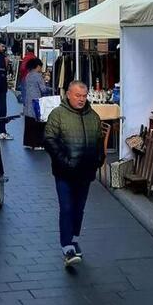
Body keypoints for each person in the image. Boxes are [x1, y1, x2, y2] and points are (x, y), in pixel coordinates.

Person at [43, 81, 104, 267]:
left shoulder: (93, 116)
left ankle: (74, 238)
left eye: (84, 96)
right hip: (64, 173)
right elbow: (49, 140)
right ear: (68, 94)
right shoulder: (58, 115)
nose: (81, 99)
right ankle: (67, 246)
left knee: (79, 208)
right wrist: (65, 161)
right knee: (67, 208)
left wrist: (98, 159)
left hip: (85, 173)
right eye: (78, 95)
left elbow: (99, 141)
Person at [23, 57, 52, 149]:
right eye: (40, 67)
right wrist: (49, 87)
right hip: (36, 102)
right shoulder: (38, 76)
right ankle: (37, 143)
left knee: (29, 123)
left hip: (28, 101)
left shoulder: (28, 75)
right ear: (38, 66)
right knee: (38, 123)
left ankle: (28, 142)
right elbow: (43, 89)